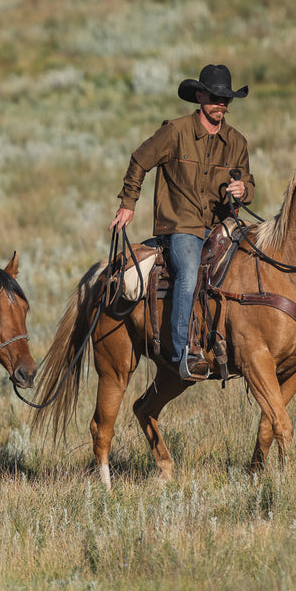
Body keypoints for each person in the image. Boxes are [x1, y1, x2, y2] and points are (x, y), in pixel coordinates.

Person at [111, 64, 254, 381]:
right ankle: (183, 353)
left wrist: (243, 190)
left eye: (226, 100)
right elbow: (139, 160)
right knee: (188, 273)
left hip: (222, 225)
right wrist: (128, 204)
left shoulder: (237, 142)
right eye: (216, 97)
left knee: (259, 257)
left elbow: (249, 185)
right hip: (181, 226)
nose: (222, 105)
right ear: (200, 96)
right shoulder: (174, 132)